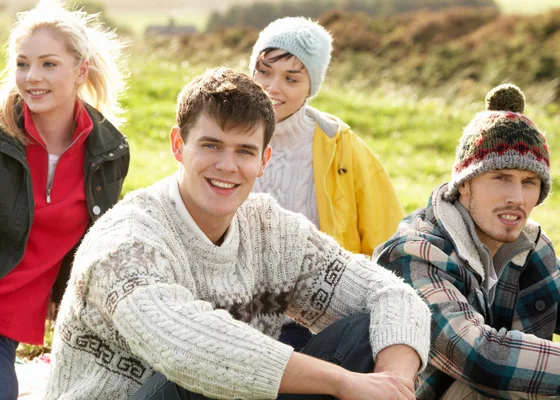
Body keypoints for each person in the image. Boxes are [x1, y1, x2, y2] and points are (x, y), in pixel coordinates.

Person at [44, 67, 431, 400]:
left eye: (245, 151)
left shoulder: (272, 230)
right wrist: (345, 383)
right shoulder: (127, 239)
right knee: (206, 372)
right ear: (179, 145)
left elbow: (391, 294)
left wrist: (391, 385)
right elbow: (186, 350)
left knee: (366, 330)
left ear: (264, 159)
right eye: (211, 145)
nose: (227, 166)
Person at [0, 1, 130, 398]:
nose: (32, 77)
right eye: (23, 64)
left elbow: (97, 250)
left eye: (48, 64)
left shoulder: (109, 152)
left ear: (80, 70)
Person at [373, 84, 560, 399]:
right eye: (501, 177)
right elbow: (481, 357)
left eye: (529, 183)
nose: (516, 198)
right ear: (464, 185)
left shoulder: (529, 246)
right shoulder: (415, 253)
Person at [249, 17, 405, 349]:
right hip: (239, 315)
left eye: (291, 78)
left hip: (318, 323)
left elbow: (387, 240)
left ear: (311, 87)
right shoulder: (228, 133)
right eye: (264, 72)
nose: (272, 87)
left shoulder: (341, 146)